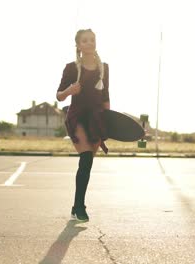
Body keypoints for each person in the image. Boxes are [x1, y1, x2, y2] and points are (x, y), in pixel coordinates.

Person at [56, 29, 110, 222]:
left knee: (87, 165)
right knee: (86, 158)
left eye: (92, 40)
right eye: (85, 41)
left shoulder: (104, 67)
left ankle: (76, 204)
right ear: (78, 45)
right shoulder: (71, 68)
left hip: (96, 119)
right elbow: (59, 95)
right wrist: (70, 90)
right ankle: (80, 206)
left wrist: (107, 125)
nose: (89, 43)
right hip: (77, 116)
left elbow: (105, 98)